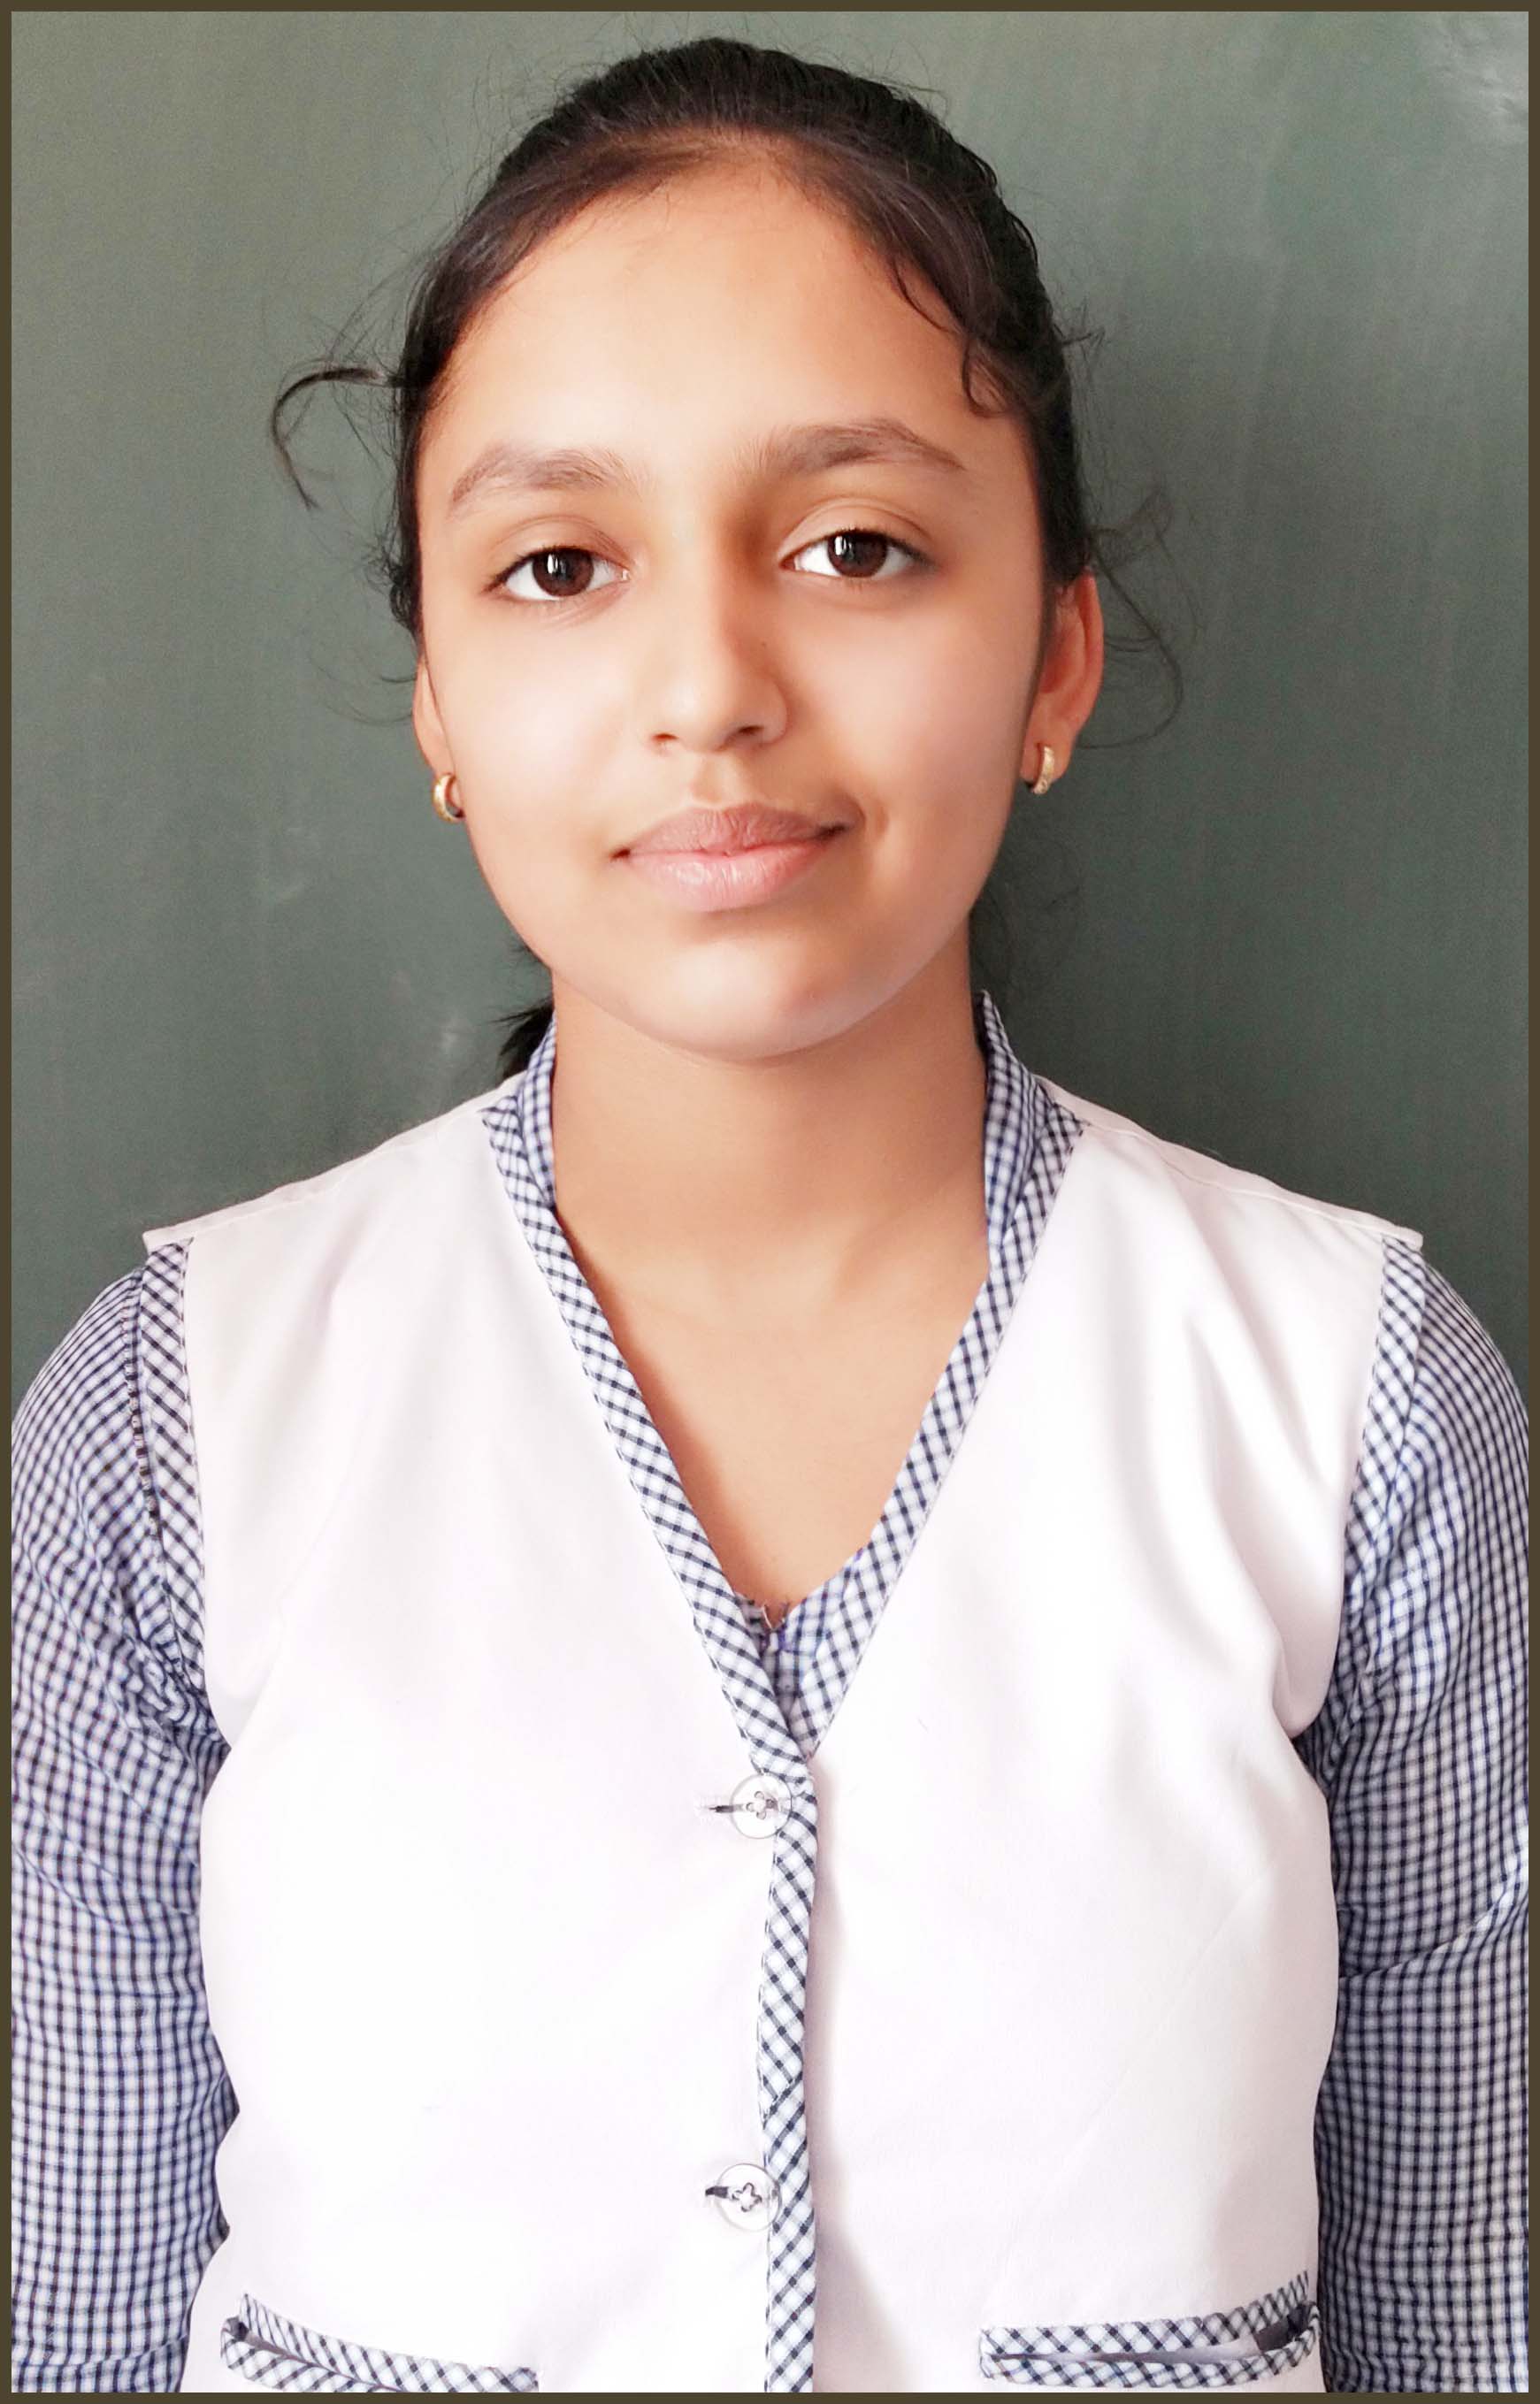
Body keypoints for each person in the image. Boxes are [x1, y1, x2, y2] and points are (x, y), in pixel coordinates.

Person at [11, 33, 1526, 2398]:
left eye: (856, 547)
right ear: (439, 702)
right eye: (558, 567)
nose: (709, 687)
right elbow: (69, 2316)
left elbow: (1467, 2303)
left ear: (1055, 657)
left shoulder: (1364, 1409)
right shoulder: (165, 1430)